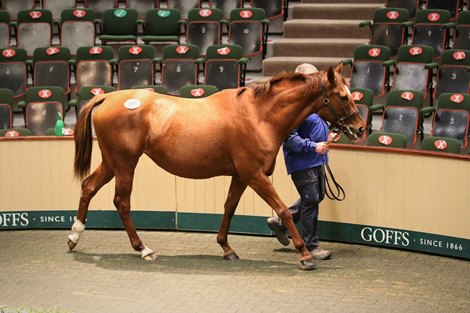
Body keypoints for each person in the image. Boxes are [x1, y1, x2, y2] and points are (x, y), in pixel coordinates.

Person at [267, 63, 332, 260]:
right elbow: (290, 139)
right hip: (303, 161)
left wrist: (328, 134)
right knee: (311, 200)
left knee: (317, 196)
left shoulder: (312, 104)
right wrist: (314, 146)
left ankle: (280, 222)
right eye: (309, 78)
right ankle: (312, 246)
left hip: (317, 159)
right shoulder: (293, 108)